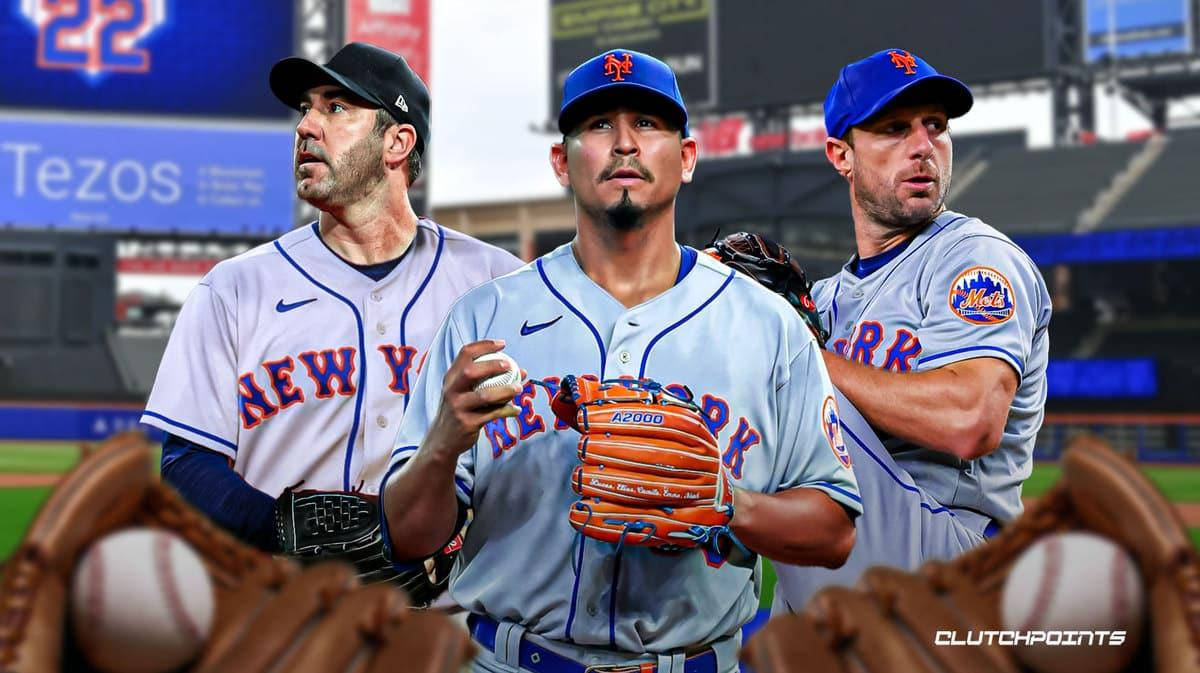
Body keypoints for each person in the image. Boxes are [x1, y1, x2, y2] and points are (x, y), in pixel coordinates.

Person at [380, 49, 860, 673]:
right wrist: (442, 444)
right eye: (600, 125)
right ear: (562, 161)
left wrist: (727, 503)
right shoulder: (484, 319)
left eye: (650, 124)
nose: (626, 143)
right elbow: (405, 537)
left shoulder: (769, 328)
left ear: (686, 158)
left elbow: (833, 531)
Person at [139, 43, 522, 596]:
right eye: (305, 108)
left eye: (336, 107)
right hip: (278, 614)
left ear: (397, 142)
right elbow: (186, 464)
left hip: (451, 622)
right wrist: (289, 538)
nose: (306, 126)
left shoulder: (495, 284)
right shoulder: (236, 287)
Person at [770, 48, 1052, 612]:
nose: (924, 146)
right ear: (840, 155)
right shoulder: (822, 301)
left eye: (936, 127)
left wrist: (800, 355)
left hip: (948, 551)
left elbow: (969, 421)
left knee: (782, 374)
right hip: (849, 557)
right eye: (895, 129)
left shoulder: (973, 257)